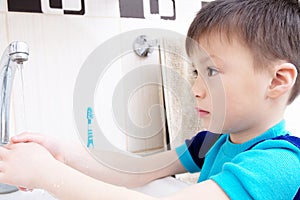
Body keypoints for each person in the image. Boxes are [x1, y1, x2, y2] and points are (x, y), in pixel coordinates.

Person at [0, 0, 299, 199]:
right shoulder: (212, 142)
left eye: (211, 70)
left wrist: (46, 174)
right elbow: (136, 169)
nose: (195, 88)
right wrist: (62, 154)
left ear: (277, 81)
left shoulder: (282, 163)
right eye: (195, 71)